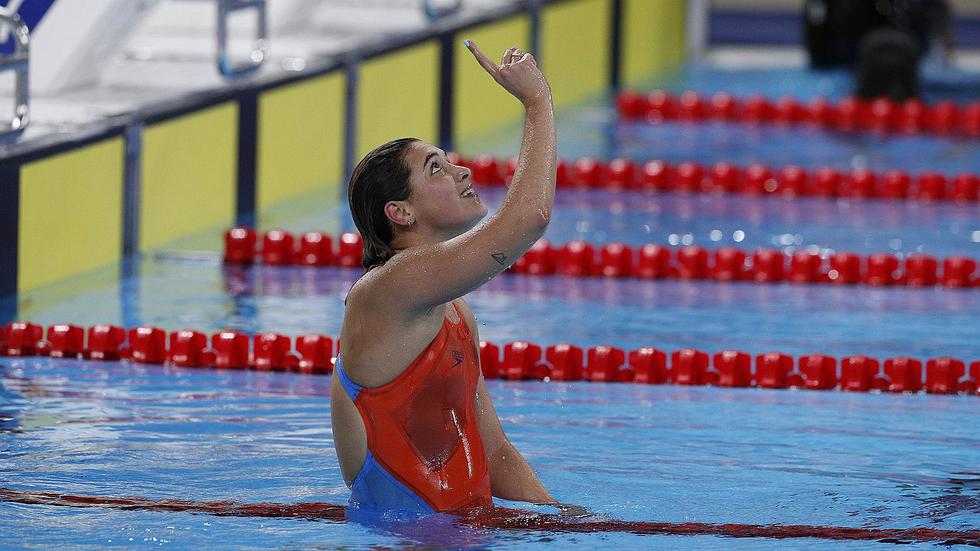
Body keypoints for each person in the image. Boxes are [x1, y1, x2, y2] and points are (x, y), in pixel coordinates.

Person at [331, 40, 562, 515]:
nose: (462, 171)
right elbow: (529, 218)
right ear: (400, 211)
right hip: (402, 539)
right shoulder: (386, 291)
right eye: (436, 168)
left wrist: (559, 518)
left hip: (461, 534)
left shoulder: (454, 313)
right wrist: (538, 103)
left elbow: (494, 452)